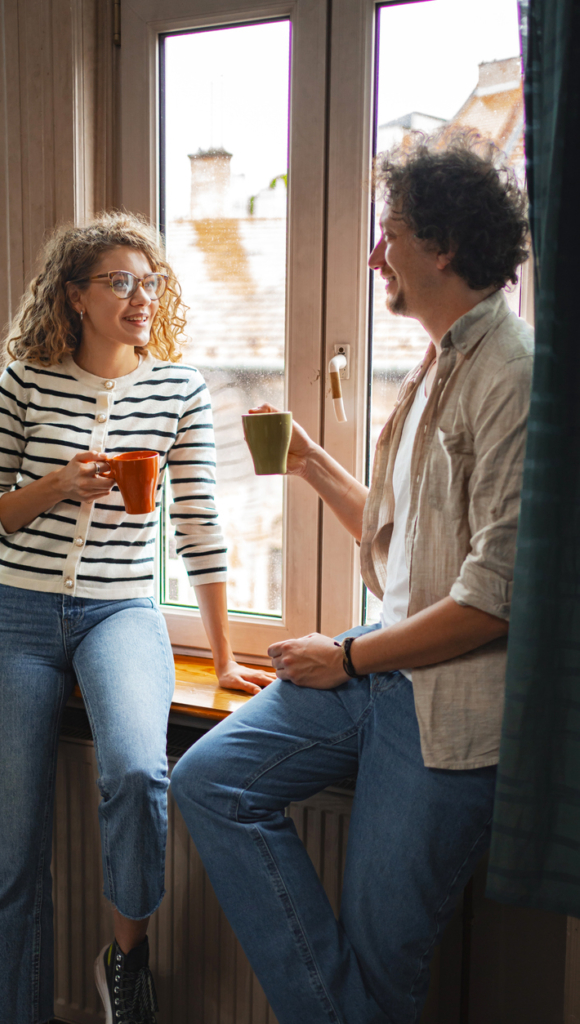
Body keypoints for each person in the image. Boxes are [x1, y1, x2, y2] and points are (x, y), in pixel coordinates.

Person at [171, 129, 533, 1024]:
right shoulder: (442, 358)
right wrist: (305, 461)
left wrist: (350, 657)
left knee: (383, 962)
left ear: (442, 247)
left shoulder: (513, 374)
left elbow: (495, 600)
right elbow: (400, 537)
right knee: (208, 781)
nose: (377, 253)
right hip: (379, 667)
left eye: (391, 232)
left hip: (441, 711)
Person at [0, 212, 272, 1024]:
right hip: (19, 618)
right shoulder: (24, 382)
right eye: (121, 281)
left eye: (150, 280)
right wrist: (57, 486)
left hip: (121, 614)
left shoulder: (179, 388)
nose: (141, 295)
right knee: (12, 857)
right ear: (75, 297)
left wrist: (225, 654)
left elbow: (198, 525)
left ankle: (124, 963)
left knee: (138, 770)